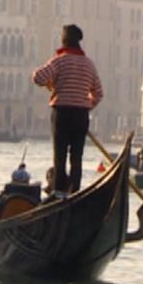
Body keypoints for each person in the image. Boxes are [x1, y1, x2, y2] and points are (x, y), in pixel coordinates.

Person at [32, 23, 103, 197]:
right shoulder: (89, 65)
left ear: (64, 41)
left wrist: (51, 83)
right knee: (76, 157)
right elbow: (99, 94)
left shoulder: (59, 61)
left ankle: (59, 192)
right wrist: (85, 104)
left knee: (60, 154)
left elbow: (37, 77)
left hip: (62, 113)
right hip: (81, 115)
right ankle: (75, 191)